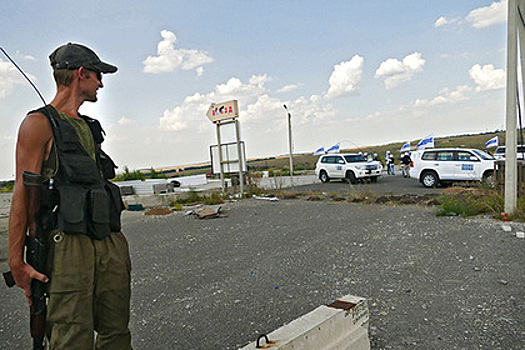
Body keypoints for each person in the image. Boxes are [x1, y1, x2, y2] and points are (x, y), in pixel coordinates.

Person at [7, 43, 131, 349]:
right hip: (68, 248)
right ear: (81, 73)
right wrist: (16, 261)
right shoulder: (38, 124)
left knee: (116, 332)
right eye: (98, 76)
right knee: (71, 337)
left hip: (108, 240)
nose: (101, 83)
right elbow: (22, 193)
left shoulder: (91, 128)